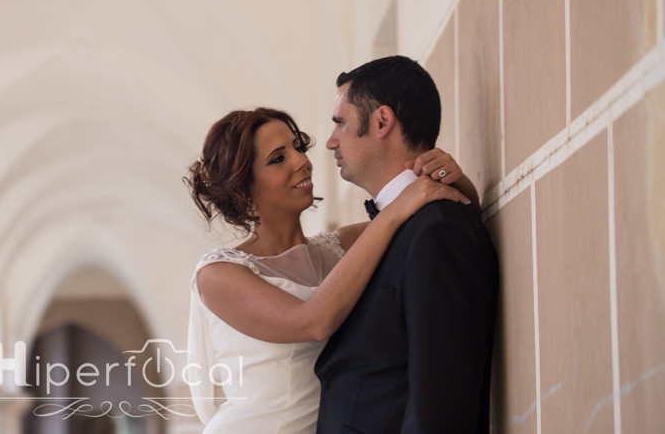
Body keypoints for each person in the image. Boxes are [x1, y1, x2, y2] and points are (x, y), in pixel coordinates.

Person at [185, 106, 477, 433]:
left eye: (298, 147)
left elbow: (442, 222)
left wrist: (454, 178)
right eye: (278, 158)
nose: (301, 161)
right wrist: (395, 211)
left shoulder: (345, 247)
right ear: (242, 188)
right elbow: (314, 322)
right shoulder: (218, 274)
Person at [315, 56, 499, 433]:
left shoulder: (436, 231)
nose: (332, 141)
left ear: (382, 121)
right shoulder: (405, 227)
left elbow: (441, 404)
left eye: (341, 123)